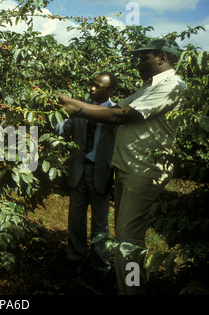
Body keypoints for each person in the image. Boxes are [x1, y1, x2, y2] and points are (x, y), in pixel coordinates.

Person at [57, 38, 187, 294]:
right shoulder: (148, 86)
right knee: (125, 237)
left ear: (162, 57)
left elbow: (123, 116)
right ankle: (125, 286)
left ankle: (131, 289)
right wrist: (68, 101)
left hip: (144, 170)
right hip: (130, 168)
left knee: (129, 241)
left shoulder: (172, 86)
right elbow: (115, 107)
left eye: (144, 57)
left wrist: (77, 110)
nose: (139, 63)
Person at [56, 72, 119, 281]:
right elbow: (62, 131)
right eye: (92, 84)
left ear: (110, 90)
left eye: (98, 86)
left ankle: (100, 264)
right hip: (79, 169)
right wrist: (57, 117)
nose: (92, 89)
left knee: (101, 220)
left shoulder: (117, 112)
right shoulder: (79, 108)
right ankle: (75, 255)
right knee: (76, 215)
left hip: (101, 171)